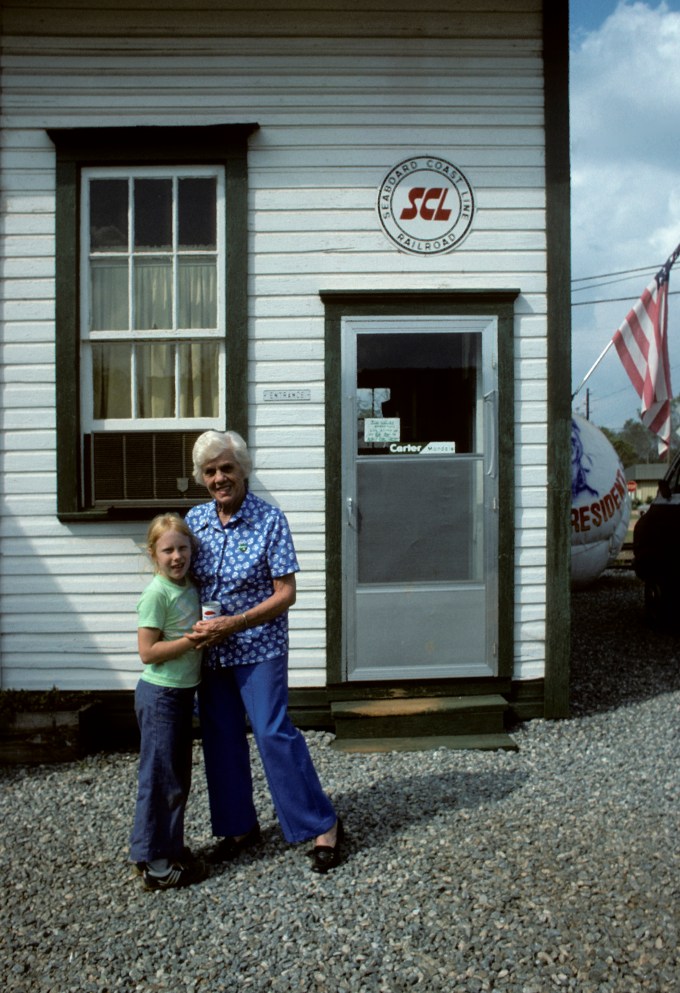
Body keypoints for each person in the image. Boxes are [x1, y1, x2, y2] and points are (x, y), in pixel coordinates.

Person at [185, 430, 343, 874]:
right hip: (211, 651)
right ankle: (238, 827)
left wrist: (236, 622)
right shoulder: (194, 520)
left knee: (273, 732)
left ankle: (322, 823)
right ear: (202, 477)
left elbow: (286, 593)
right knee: (220, 736)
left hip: (258, 644)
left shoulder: (269, 520)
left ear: (243, 470)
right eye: (210, 471)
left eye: (226, 468)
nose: (219, 477)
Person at [129, 513, 208, 891]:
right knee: (159, 778)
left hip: (181, 693)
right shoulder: (156, 593)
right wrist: (192, 641)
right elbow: (147, 652)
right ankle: (154, 864)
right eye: (168, 550)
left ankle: (169, 847)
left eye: (182, 548)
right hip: (160, 694)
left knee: (176, 778)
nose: (177, 556)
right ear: (153, 554)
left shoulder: (188, 586)